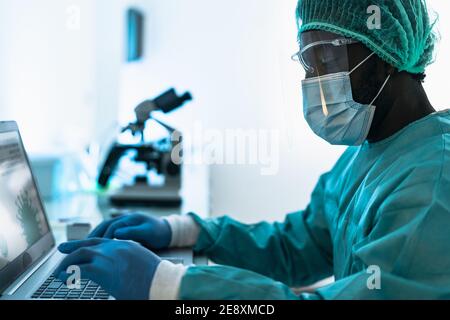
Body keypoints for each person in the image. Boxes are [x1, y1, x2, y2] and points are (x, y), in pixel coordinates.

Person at [54, 0, 450, 299]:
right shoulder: (368, 152)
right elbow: (295, 248)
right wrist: (186, 230)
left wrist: (169, 284)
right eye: (306, 63)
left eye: (324, 58)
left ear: (384, 56)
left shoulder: (432, 186)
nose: (312, 80)